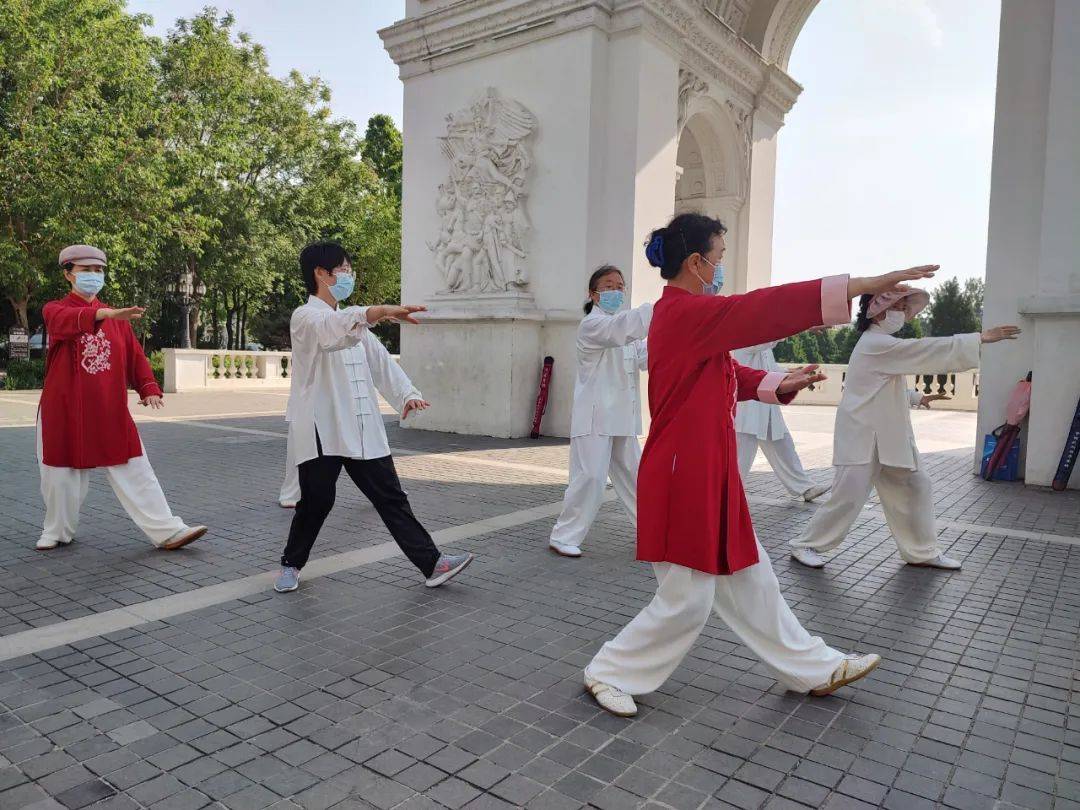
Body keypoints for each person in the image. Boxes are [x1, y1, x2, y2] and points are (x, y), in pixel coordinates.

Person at [583, 212, 937, 717]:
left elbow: (728, 373)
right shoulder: (684, 314)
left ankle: (812, 668)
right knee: (688, 598)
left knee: (752, 578)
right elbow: (767, 308)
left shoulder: (690, 319)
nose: (722, 268)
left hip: (706, 472)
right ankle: (610, 671)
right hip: (685, 476)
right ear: (695, 263)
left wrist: (776, 385)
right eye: (720, 259)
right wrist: (863, 285)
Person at [274, 241, 473, 593]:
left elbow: (381, 364)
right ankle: (291, 563)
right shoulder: (305, 318)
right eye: (344, 269)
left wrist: (407, 395)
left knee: (391, 497)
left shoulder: (354, 324)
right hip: (324, 427)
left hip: (363, 426)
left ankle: (432, 563)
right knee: (318, 502)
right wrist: (378, 311)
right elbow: (332, 330)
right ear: (321, 273)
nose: (349, 275)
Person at [789, 290, 1020, 570]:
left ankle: (922, 552)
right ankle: (806, 545)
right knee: (847, 496)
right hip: (863, 435)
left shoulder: (882, 345)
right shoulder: (875, 343)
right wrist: (978, 338)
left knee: (916, 486)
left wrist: (917, 398)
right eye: (898, 306)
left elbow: (884, 383)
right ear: (879, 311)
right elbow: (923, 349)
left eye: (903, 307)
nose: (903, 312)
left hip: (887, 437)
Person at [36, 245, 207, 552]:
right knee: (60, 478)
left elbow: (135, 358)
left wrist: (149, 387)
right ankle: (57, 530)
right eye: (86, 271)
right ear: (68, 274)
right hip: (63, 409)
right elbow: (66, 322)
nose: (93, 276)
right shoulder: (55, 310)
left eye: (98, 271)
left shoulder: (119, 320)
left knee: (136, 469)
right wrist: (105, 314)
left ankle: (168, 530)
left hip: (108, 409)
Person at [548, 266, 651, 557]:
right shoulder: (592, 325)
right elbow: (620, 332)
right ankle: (564, 535)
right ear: (593, 294)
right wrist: (666, 307)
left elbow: (644, 357)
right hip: (595, 417)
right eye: (608, 286)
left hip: (623, 417)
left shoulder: (624, 327)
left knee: (637, 477)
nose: (615, 291)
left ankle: (652, 533)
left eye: (620, 286)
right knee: (590, 477)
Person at [733, 338, 830, 501]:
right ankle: (728, 495)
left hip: (767, 409)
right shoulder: (746, 341)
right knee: (740, 458)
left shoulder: (763, 349)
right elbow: (768, 339)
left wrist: (790, 373)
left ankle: (805, 487)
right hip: (748, 411)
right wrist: (802, 324)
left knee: (784, 446)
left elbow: (771, 369)